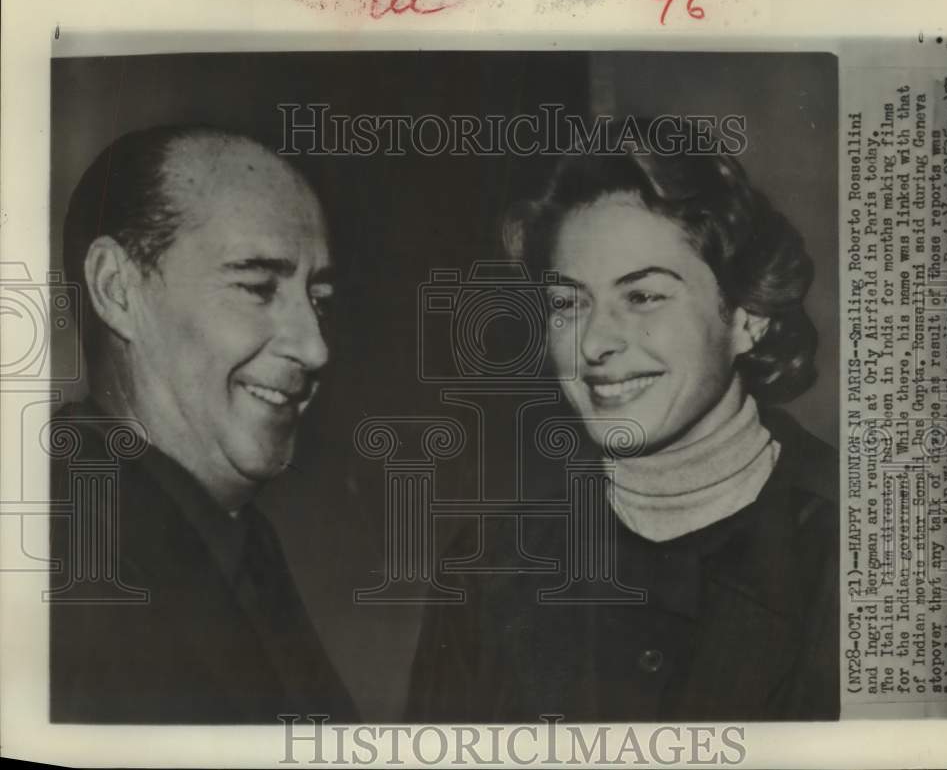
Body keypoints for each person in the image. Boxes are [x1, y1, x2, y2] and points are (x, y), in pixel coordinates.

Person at [407, 128, 838, 722]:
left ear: (748, 317)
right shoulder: (488, 572)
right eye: (567, 303)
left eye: (642, 297)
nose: (595, 342)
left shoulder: (868, 548)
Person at [49, 125, 358, 723]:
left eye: (318, 300)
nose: (315, 347)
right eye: (257, 287)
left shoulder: (232, 540)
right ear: (117, 290)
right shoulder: (63, 563)